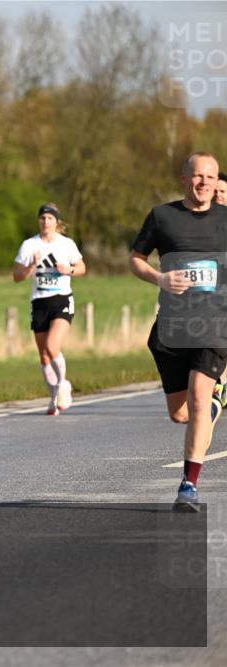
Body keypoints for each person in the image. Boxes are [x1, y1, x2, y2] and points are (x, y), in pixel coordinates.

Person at [129, 151, 227, 512]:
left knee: (199, 397)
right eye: (197, 176)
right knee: (181, 413)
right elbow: (135, 258)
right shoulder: (162, 216)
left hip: (217, 324)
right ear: (184, 179)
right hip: (173, 326)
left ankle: (189, 485)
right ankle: (219, 400)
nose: (204, 183)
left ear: (218, 182)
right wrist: (160, 278)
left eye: (211, 177)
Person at [13, 203, 87, 415]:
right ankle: (54, 397)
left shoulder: (66, 244)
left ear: (57, 222)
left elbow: (82, 268)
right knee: (44, 356)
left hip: (61, 300)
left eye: (50, 218)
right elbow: (16, 277)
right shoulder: (29, 245)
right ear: (39, 221)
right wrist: (31, 266)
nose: (46, 222)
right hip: (39, 302)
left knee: (52, 347)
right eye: (43, 218)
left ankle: (63, 385)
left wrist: (69, 269)